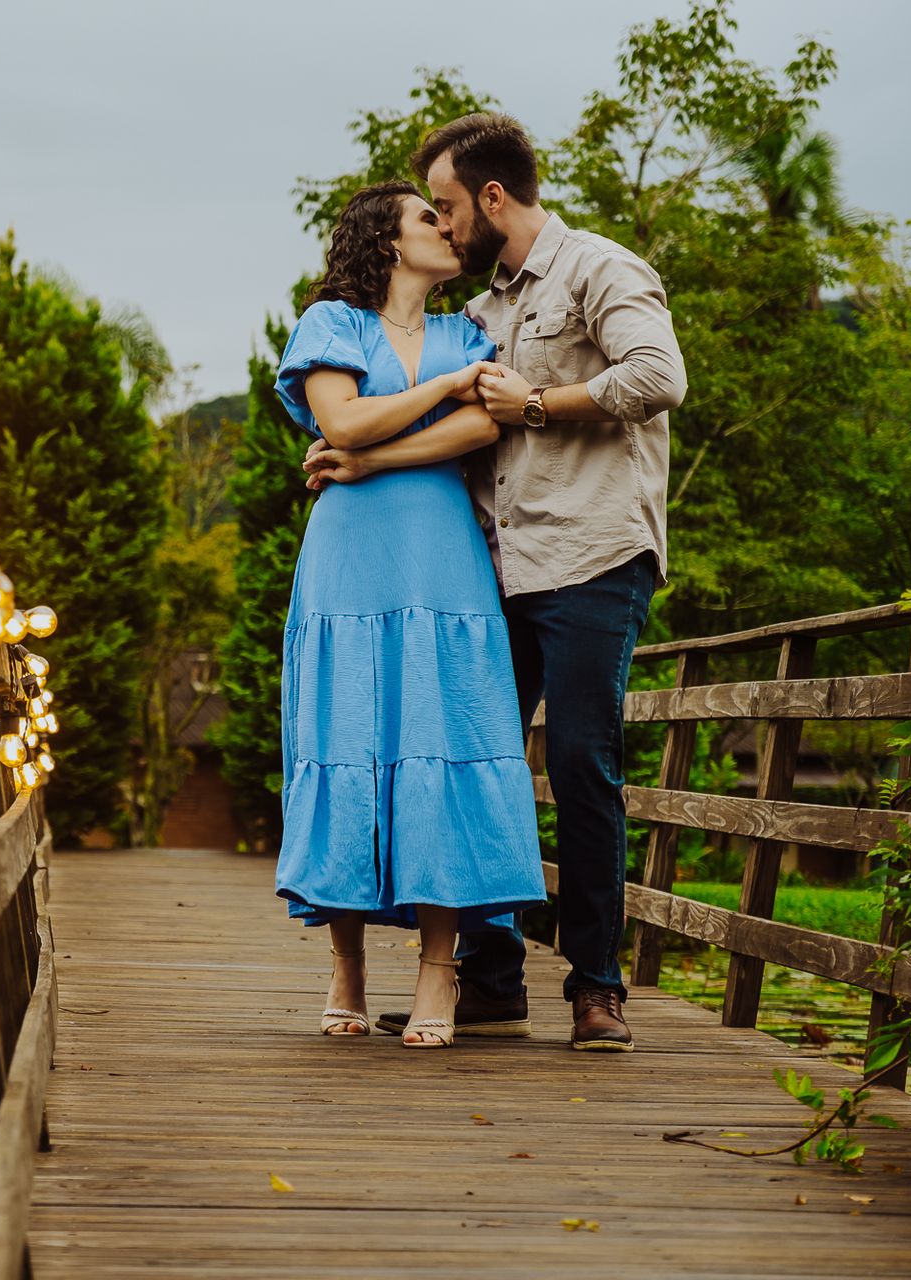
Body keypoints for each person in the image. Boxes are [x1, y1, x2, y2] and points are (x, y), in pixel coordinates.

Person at [355, 112, 687, 1052]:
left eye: (452, 206)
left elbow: (660, 376)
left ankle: (596, 989)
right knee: (478, 771)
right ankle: (493, 983)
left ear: (494, 197)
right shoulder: (481, 314)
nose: (447, 226)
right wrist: (355, 458)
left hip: (592, 559)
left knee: (582, 764)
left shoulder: (599, 270)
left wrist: (537, 402)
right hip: (494, 572)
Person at [273, 179, 547, 1048]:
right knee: (349, 736)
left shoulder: (471, 332)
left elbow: (480, 434)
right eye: (429, 217)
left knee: (442, 739)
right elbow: (341, 422)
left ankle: (440, 972)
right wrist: (453, 388)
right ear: (388, 242)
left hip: (443, 559)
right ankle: (346, 965)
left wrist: (382, 452)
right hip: (350, 563)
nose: (448, 226)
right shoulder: (333, 325)